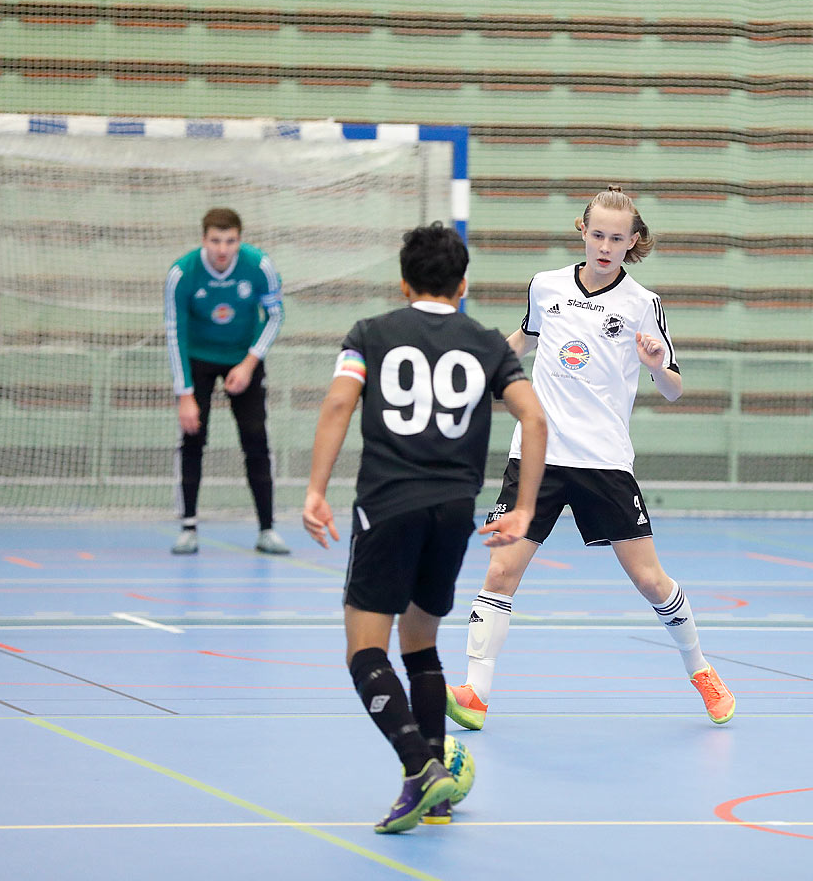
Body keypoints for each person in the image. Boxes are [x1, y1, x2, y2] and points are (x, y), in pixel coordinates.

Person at [446, 185, 737, 731]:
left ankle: (700, 669)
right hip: (537, 455)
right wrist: (477, 368)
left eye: (617, 238)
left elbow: (673, 390)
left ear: (634, 242)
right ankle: (477, 693)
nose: (606, 246)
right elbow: (525, 339)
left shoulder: (643, 305)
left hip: (603, 460)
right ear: (582, 231)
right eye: (597, 234)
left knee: (651, 581)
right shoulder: (545, 286)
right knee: (501, 568)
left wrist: (655, 364)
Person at [301, 222, 547, 833]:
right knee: (421, 645)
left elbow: (338, 403)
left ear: (403, 281)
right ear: (462, 285)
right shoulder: (489, 344)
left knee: (364, 651)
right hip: (452, 512)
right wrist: (524, 509)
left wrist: (314, 490)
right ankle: (435, 791)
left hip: (387, 504)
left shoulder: (371, 334)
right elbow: (534, 418)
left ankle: (419, 768)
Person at [163, 207, 287, 555]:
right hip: (198, 360)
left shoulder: (259, 266)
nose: (222, 249)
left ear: (239, 240)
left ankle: (267, 529)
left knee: (256, 440)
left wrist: (249, 364)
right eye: (216, 241)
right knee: (192, 439)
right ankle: (188, 527)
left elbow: (275, 316)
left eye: (230, 241)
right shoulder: (182, 273)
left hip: (242, 358)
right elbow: (175, 334)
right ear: (204, 240)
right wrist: (184, 393)